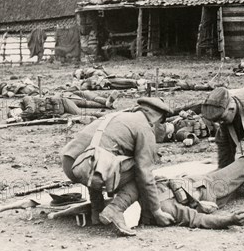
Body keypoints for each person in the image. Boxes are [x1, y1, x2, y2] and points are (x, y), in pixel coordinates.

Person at [61, 97, 177, 236]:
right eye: (161, 123)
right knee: (140, 173)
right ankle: (115, 209)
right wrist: (157, 211)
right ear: (156, 119)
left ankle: (96, 211)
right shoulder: (145, 128)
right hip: (89, 167)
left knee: (101, 159)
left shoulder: (119, 116)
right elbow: (144, 173)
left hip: (71, 163)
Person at [140, 156, 244, 229]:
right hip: (210, 188)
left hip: (204, 182)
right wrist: (229, 220)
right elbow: (197, 219)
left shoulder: (148, 189)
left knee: (240, 185)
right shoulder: (165, 207)